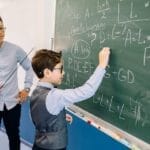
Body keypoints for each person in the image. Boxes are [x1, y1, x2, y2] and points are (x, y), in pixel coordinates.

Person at [30, 47, 110, 150]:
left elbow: (42, 115)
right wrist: (102, 65)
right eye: (60, 69)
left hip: (39, 145)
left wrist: (59, 117)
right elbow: (87, 90)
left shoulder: (36, 91)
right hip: (54, 147)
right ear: (47, 73)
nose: (63, 73)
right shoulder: (55, 96)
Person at [0, 16, 33, 150]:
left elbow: (30, 67)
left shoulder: (15, 49)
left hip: (12, 103)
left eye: (2, 28)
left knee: (14, 136)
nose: (1, 32)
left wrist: (26, 88)